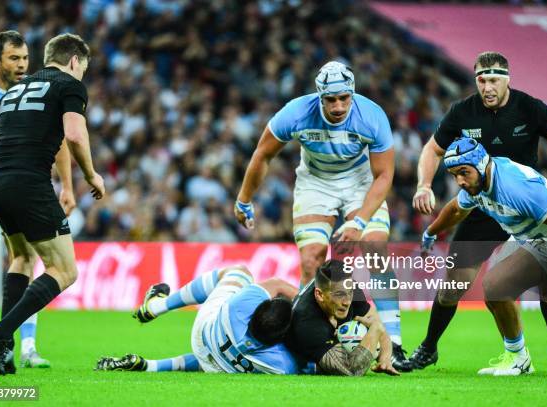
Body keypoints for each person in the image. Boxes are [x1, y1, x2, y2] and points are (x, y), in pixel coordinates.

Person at [410, 51, 547, 374]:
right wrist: (423, 186)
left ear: (507, 80)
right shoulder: (462, 112)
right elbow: (434, 151)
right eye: (481, 80)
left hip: (526, 207)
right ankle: (429, 348)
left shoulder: (529, 106)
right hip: (483, 200)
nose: (487, 87)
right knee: (455, 281)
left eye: (493, 80)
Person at [234, 61, 411, 371]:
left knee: (375, 251)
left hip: (360, 182)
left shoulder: (372, 116)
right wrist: (244, 198)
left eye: (345, 98)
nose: (339, 106)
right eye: (331, 100)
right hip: (315, 183)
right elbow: (262, 154)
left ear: (353, 94)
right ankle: (311, 344)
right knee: (311, 260)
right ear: (319, 97)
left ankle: (393, 344)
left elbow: (384, 176)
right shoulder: (295, 113)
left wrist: (357, 222)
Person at [0, 33, 105, 375]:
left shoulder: (16, 89)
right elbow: (75, 135)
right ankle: (0, 334)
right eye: (84, 68)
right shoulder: (69, 85)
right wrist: (92, 176)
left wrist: (4, 180)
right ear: (75, 61)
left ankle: (3, 354)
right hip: (28, 185)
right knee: (65, 270)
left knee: (21, 257)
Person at [421, 138, 547, 375]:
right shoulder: (477, 181)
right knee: (496, 297)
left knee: (496, 286)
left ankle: (520, 359)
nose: (460, 181)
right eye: (455, 175)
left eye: (463, 172)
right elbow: (455, 209)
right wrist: (430, 232)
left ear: (482, 163)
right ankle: (539, 357)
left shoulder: (516, 188)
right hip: (526, 235)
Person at [97, 265, 312, 374]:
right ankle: (151, 364)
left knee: (239, 272)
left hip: (205, 333)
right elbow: (310, 363)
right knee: (218, 361)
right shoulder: (282, 365)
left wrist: (302, 301)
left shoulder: (239, 308)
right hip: (222, 366)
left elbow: (277, 284)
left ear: (257, 310)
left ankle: (157, 308)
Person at [285, 259, 398, 376]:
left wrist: (385, 359)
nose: (347, 301)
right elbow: (351, 371)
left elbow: (376, 322)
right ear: (319, 295)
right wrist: (375, 330)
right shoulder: (307, 322)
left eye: (350, 292)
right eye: (339, 295)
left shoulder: (347, 287)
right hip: (288, 358)